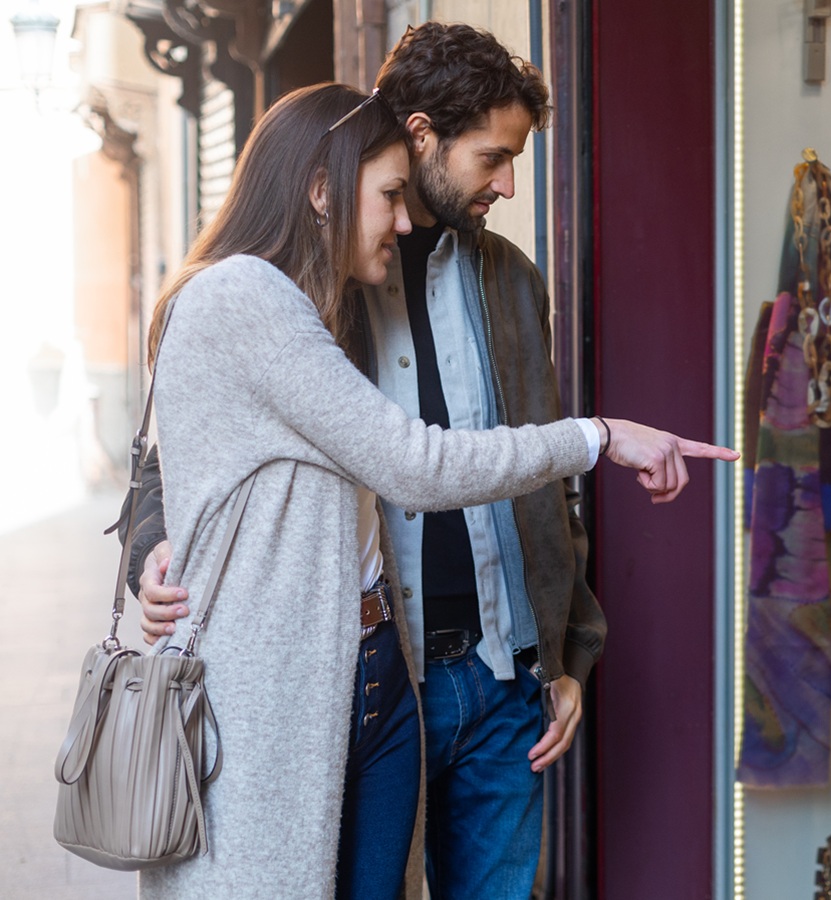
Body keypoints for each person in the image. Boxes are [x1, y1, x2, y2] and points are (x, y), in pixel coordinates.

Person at [126, 23, 721, 899]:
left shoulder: (510, 280)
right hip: (358, 670)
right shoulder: (300, 291)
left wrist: (561, 652)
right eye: (492, 158)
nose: (508, 185)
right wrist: (153, 550)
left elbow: (535, 480)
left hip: (493, 677)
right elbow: (183, 455)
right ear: (414, 137)